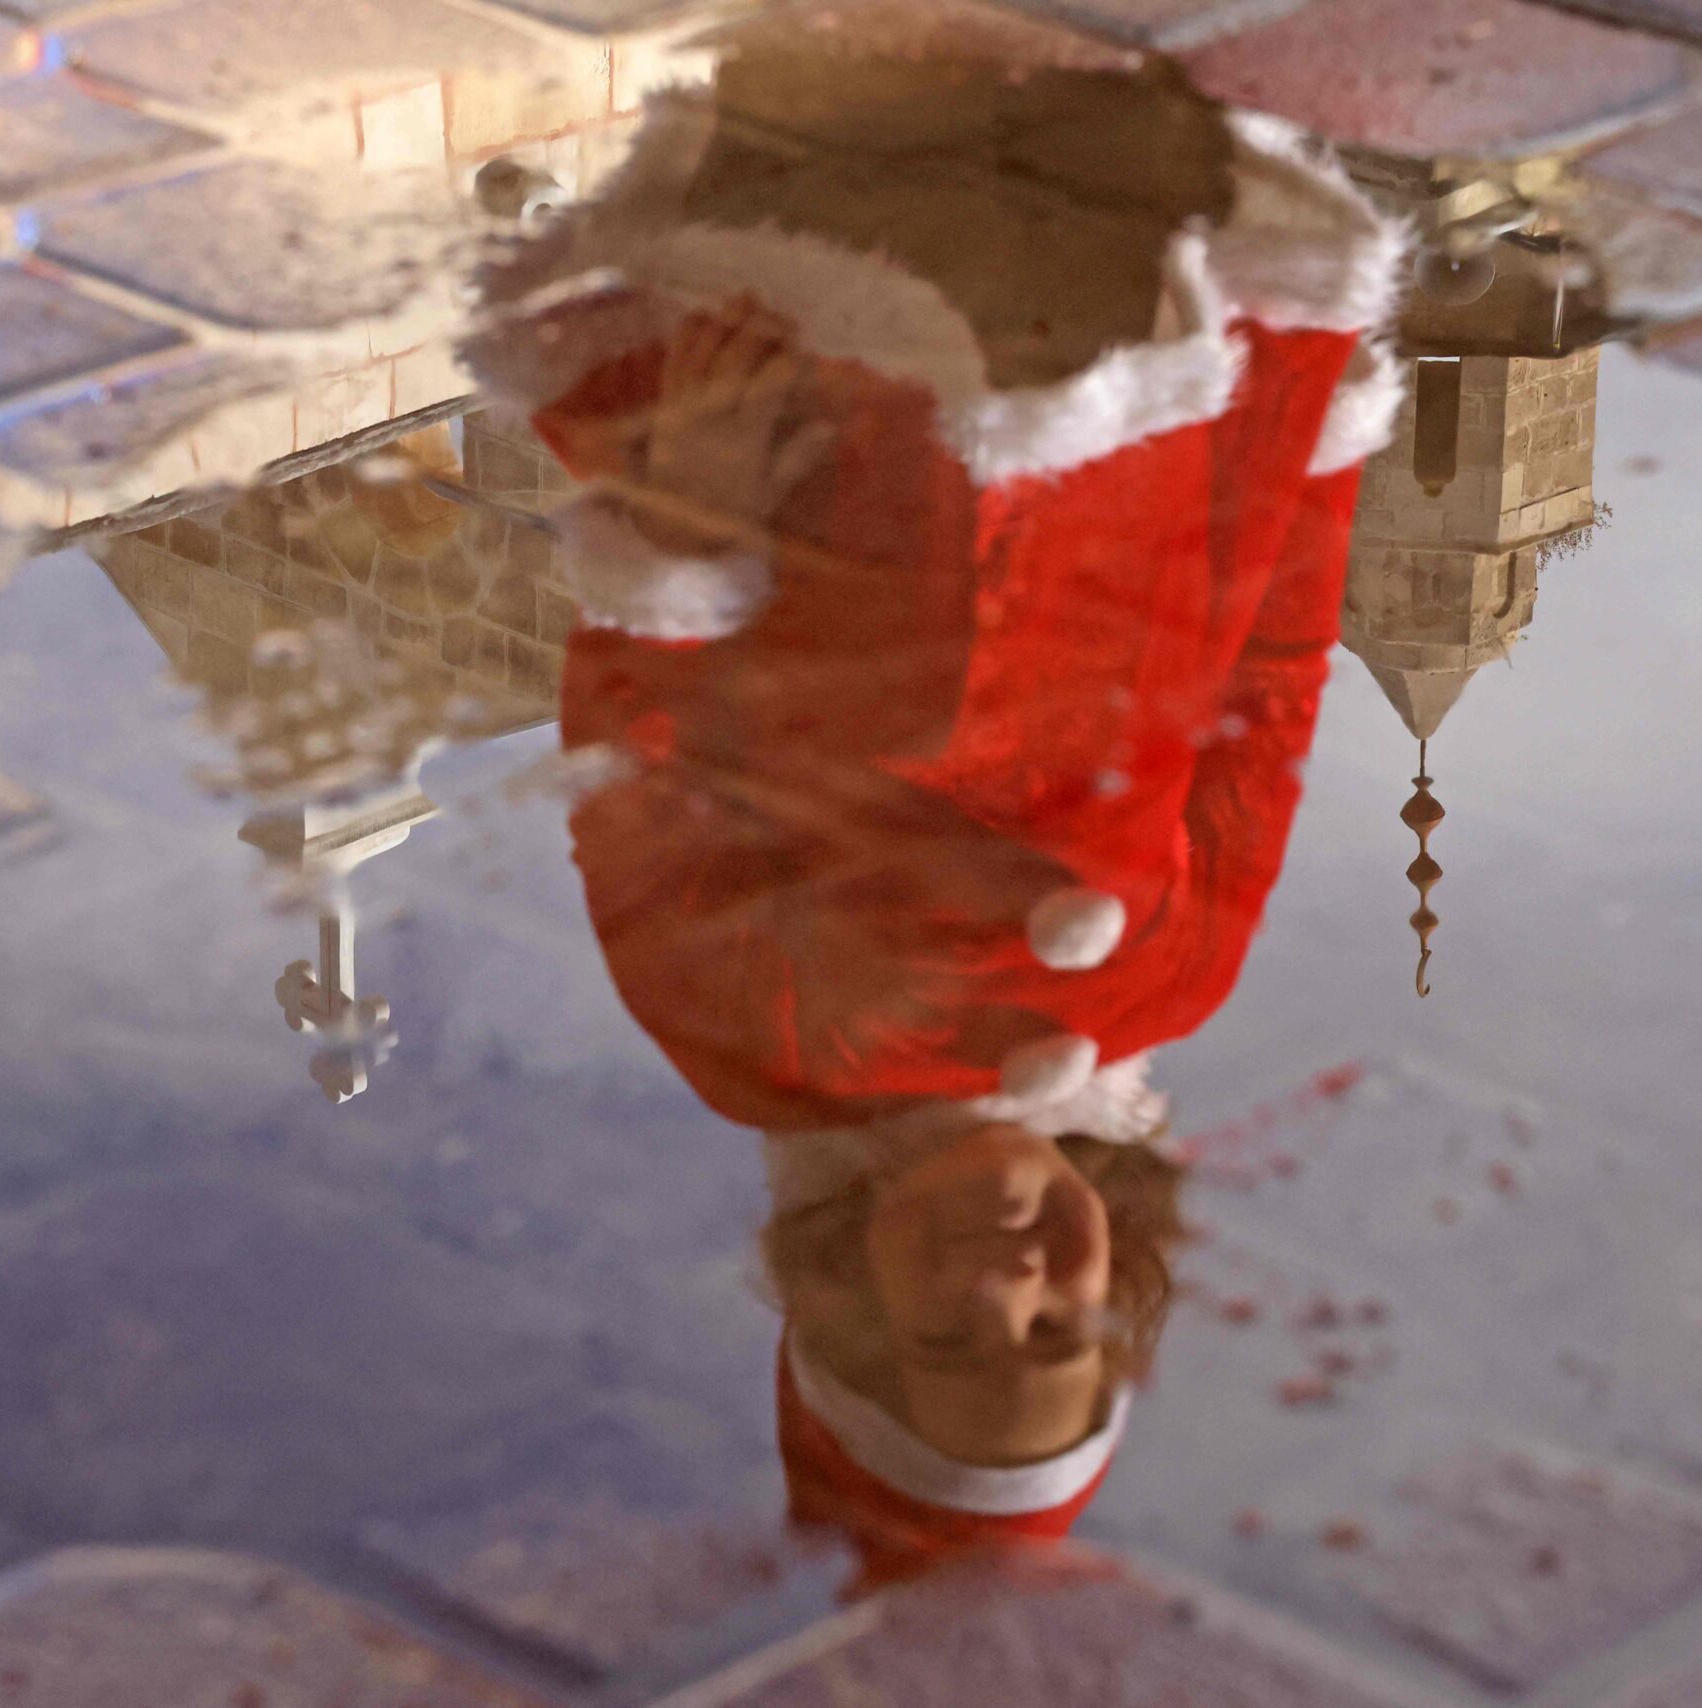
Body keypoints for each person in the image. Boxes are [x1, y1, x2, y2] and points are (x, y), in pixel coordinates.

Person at [462, 0, 1405, 1593]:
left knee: (869, 116)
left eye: (953, 1337)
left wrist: (686, 516)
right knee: (1102, 117)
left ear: (842, 1306)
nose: (1013, 1283)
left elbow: (641, 762)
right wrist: (1310, 445)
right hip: (1134, 462)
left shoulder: (757, 1040)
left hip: (854, 468)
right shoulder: (1171, 983)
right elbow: (1272, 691)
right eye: (1060, 1330)